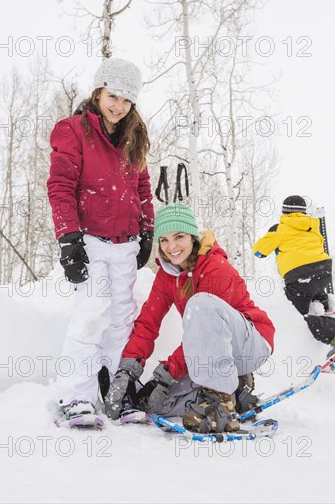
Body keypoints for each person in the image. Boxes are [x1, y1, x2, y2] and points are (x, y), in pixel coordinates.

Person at [47, 57, 155, 424]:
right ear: (98, 90)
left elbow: (142, 188)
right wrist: (68, 239)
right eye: (113, 95)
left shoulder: (133, 135)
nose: (118, 105)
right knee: (92, 314)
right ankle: (74, 396)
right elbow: (60, 187)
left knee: (121, 318)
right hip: (89, 239)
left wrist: (147, 230)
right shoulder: (73, 130)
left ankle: (116, 394)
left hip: (125, 241)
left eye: (127, 100)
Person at [104, 204, 275, 434]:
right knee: (157, 405)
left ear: (192, 237)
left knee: (201, 303)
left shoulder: (215, 268)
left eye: (179, 236)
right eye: (163, 240)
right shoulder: (167, 275)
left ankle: (221, 405)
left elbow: (204, 330)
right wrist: (128, 369)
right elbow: (148, 322)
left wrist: (167, 374)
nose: (171, 246)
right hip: (211, 353)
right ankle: (237, 391)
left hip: (249, 344)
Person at [253, 195, 335, 352]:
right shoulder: (313, 226)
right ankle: (325, 306)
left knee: (297, 316)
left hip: (299, 277)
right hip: (324, 271)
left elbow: (258, 252)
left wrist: (273, 239)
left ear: (284, 212)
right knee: (314, 289)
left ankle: (333, 334)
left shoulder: (279, 229)